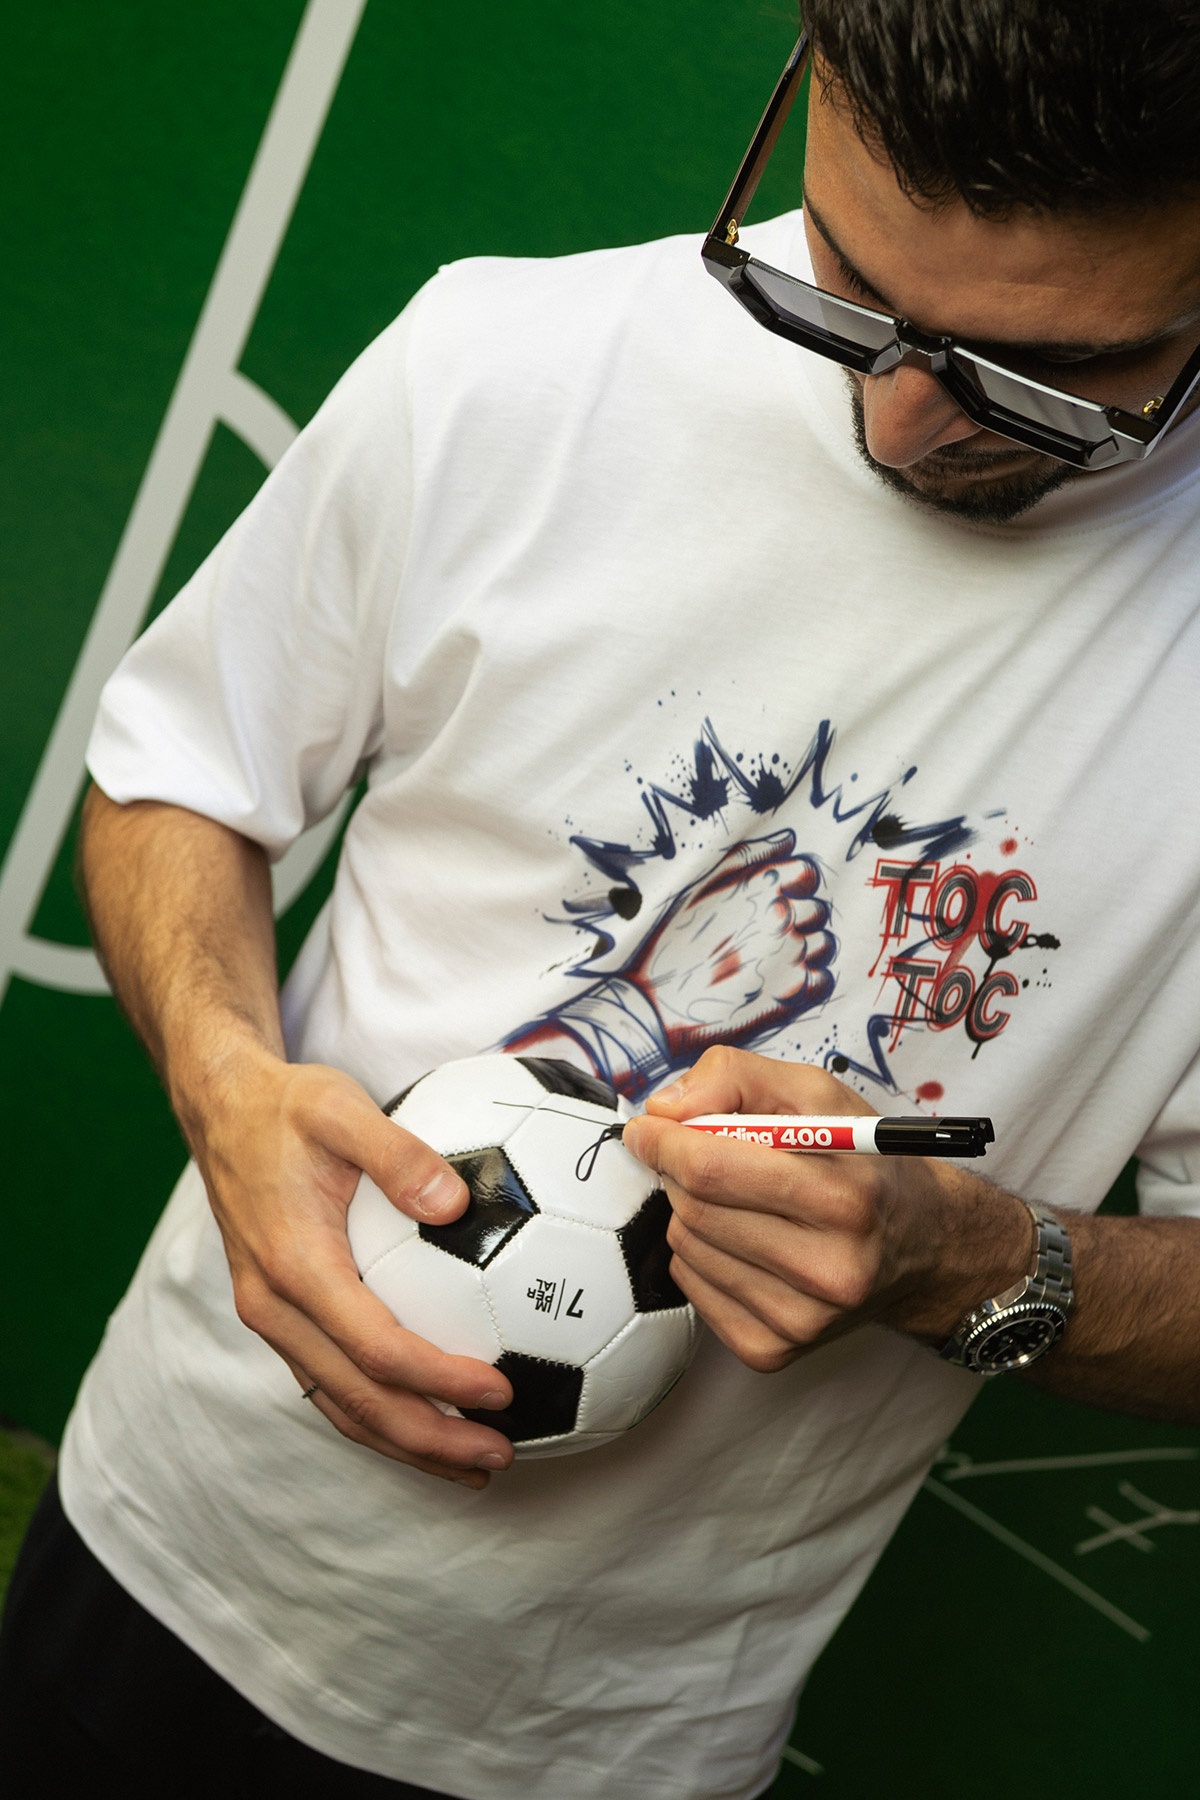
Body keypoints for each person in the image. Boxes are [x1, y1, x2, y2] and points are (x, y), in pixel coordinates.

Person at [4, 1, 1200, 1794]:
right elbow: (181, 777)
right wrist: (229, 1088)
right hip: (168, 1538)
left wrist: (975, 1262)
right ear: (804, 87)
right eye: (841, 289)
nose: (890, 409)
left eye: (1032, 380)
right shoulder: (507, 361)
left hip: (610, 1744)